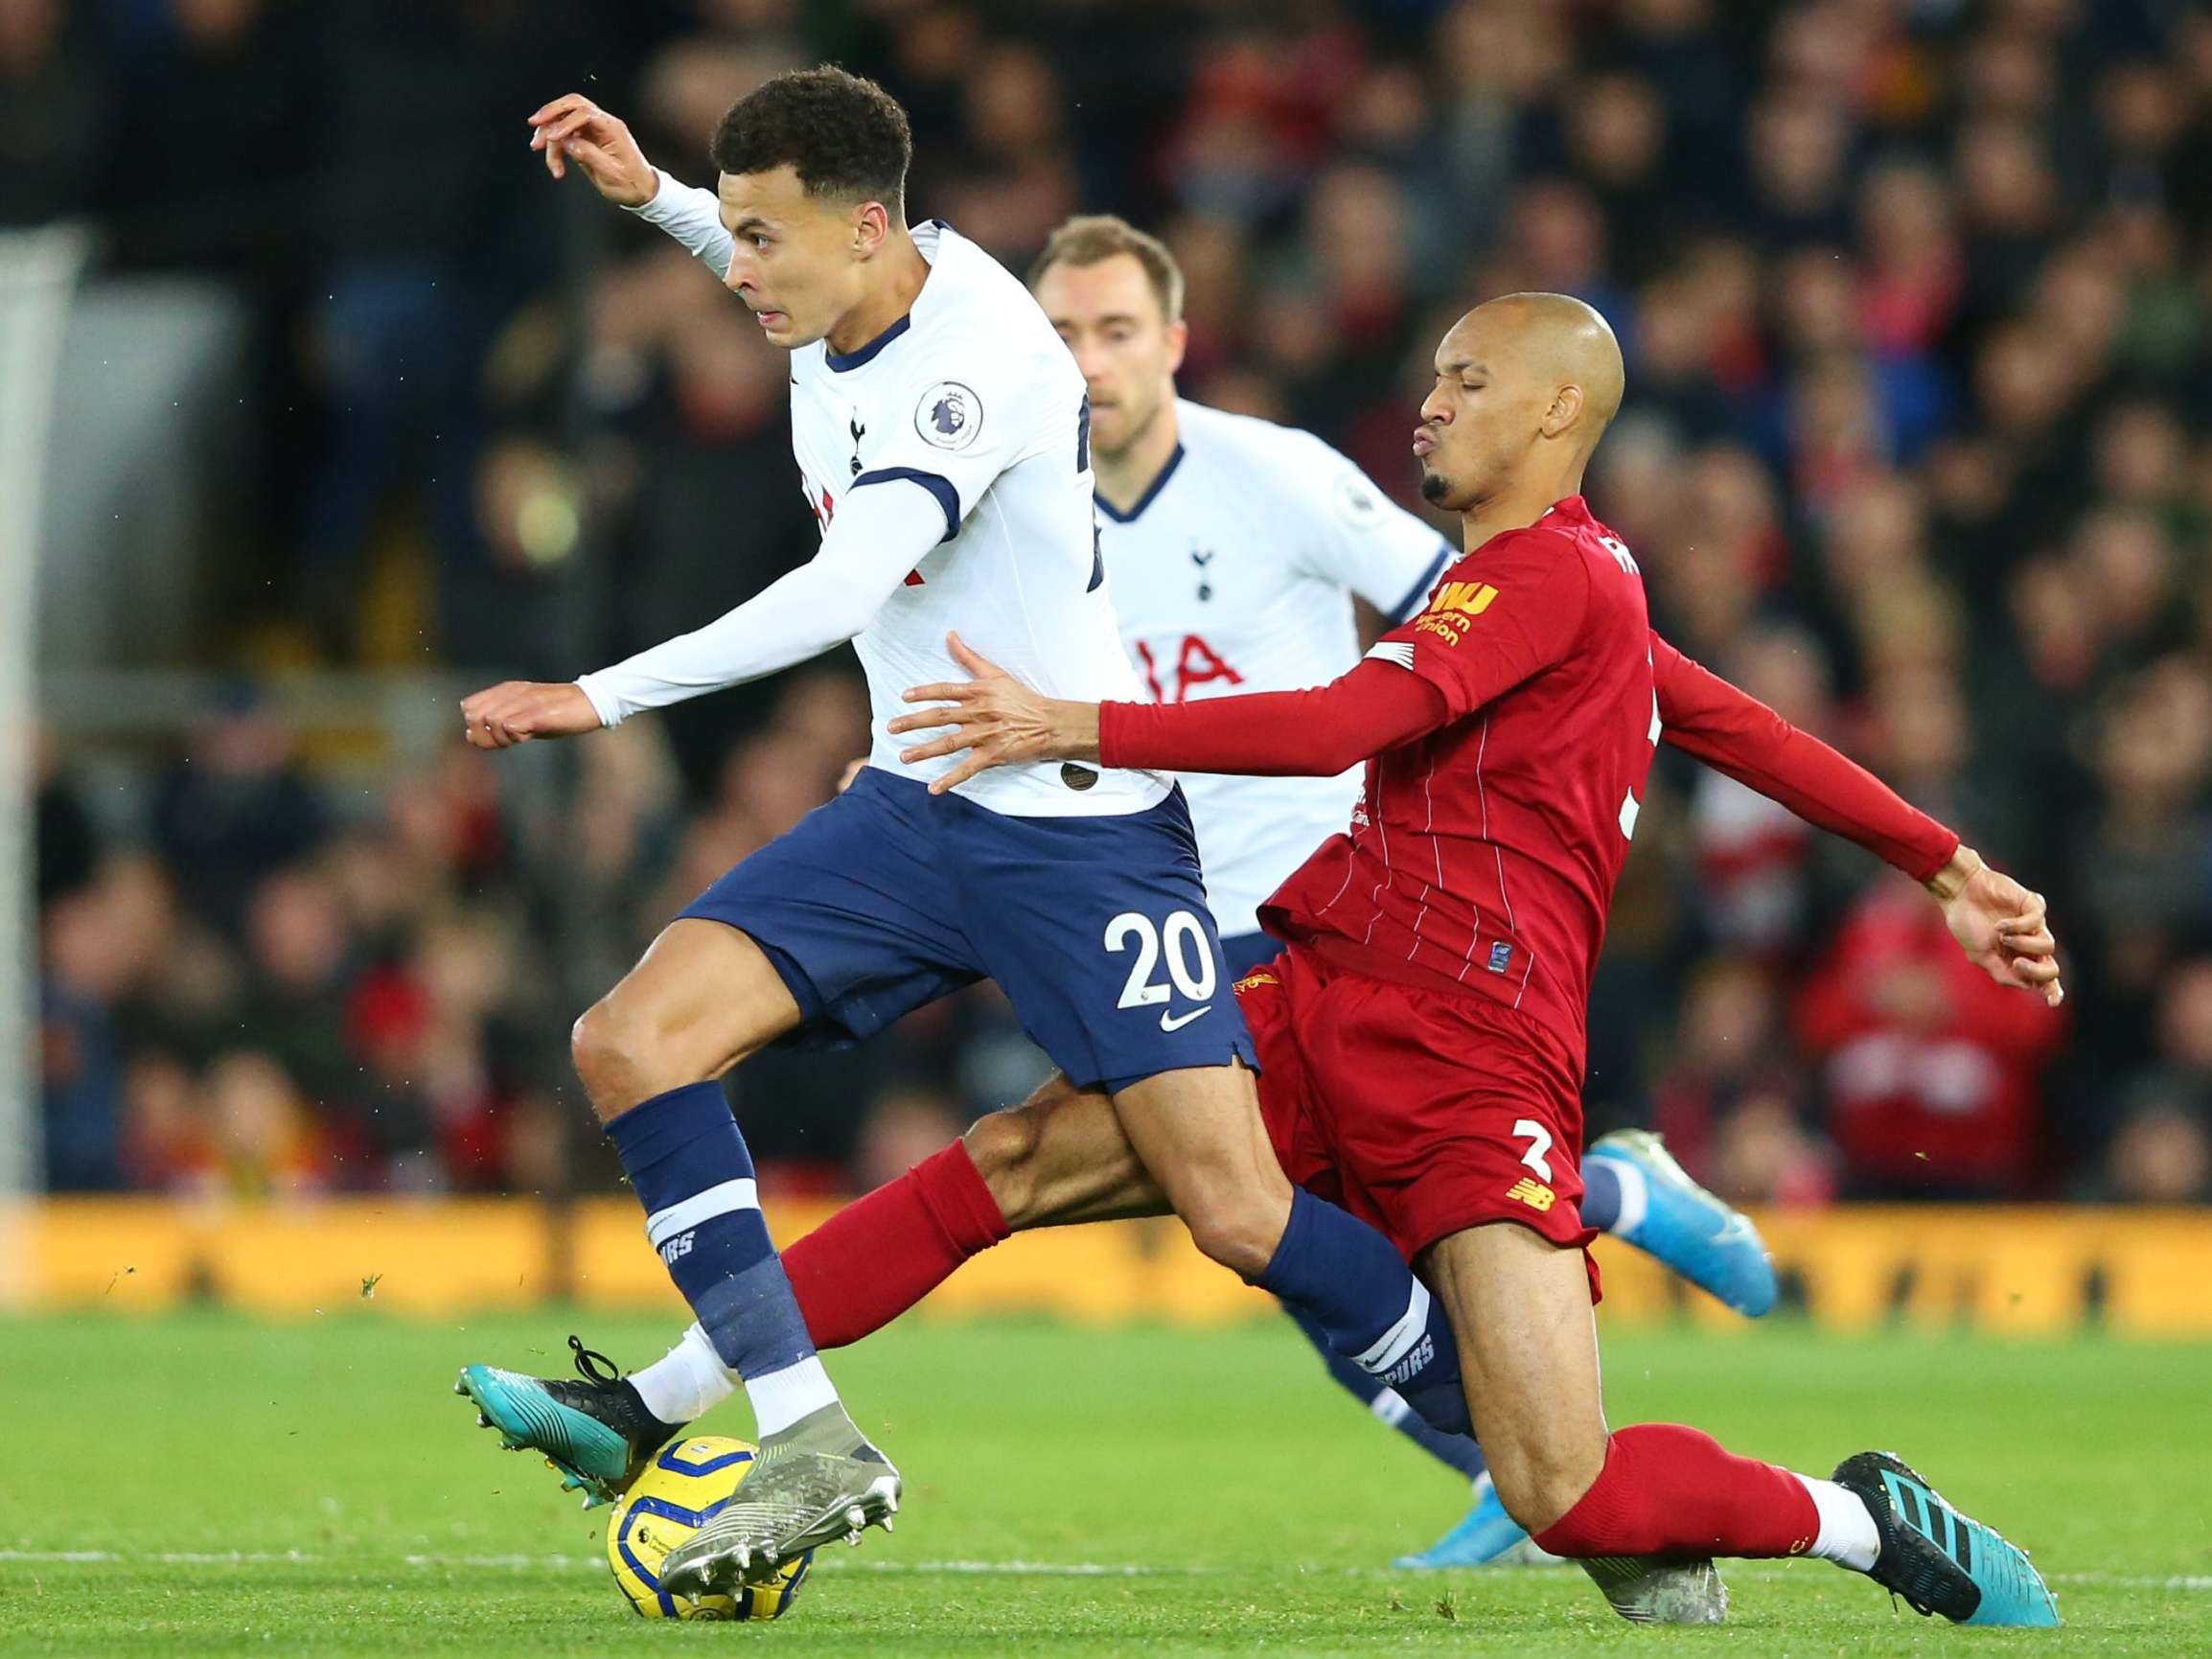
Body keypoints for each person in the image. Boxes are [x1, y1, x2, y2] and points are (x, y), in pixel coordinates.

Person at [869, 292, 2064, 1627]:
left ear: (1558, 409)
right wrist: (1944, 862)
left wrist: (1072, 721)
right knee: (1020, 1156)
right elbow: (1742, 728)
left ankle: (1858, 1518)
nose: (1430, 402)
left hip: (1479, 1051)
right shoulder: (1533, 585)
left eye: (1469, 379)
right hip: (1326, 992)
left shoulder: (1554, 575)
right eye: (1434, 377)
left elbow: (1341, 726)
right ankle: (688, 1396)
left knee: (1568, 1492)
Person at [451, 68, 1471, 1597]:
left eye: (764, 242)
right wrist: (649, 195)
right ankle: (804, 1433)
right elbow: (760, 261)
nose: (744, 274)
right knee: (631, 1039)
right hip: (913, 806)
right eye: (731, 239)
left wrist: (597, 696)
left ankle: (1518, 1434)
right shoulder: (839, 291)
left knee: (1243, 1212)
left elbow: (842, 591)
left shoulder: (975, 361)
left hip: (1080, 839)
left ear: (868, 230)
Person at [1028, 211, 1778, 1568]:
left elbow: (1480, 605)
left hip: (1324, 896)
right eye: (1062, 334)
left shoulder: (1280, 478)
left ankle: (1530, 1456)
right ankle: (1588, 1278)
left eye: (1115, 330)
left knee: (1285, 1229)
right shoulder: (1024, 509)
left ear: (1175, 343)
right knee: (1286, 1235)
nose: (1087, 361)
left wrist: (1662, 724)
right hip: (1158, 909)